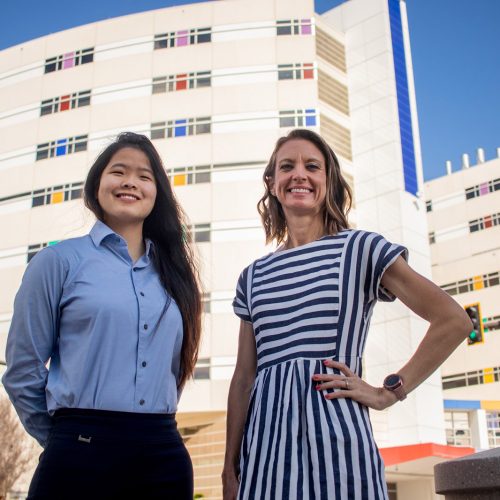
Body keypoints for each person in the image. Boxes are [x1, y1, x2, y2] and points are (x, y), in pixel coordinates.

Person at [222, 128, 471, 500]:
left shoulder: (360, 249)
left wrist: (389, 392)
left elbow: (454, 320)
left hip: (339, 446)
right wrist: (230, 468)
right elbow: (244, 377)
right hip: (265, 452)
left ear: (328, 180)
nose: (299, 175)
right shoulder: (253, 276)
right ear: (272, 183)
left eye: (312, 166)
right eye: (287, 167)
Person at [2, 132, 202, 499]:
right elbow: (22, 367)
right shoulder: (57, 262)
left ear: (157, 192)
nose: (130, 182)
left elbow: (172, 368)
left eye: (144, 176)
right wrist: (64, 439)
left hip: (163, 455)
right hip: (78, 452)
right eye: (119, 171)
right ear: (97, 185)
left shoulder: (175, 274)